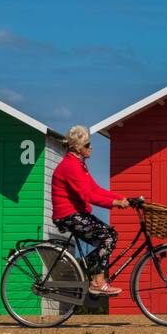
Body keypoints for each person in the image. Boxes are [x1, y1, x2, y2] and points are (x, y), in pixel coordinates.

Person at [52, 125, 129, 296]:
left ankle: (81, 267)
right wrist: (116, 203)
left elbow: (95, 189)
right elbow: (89, 196)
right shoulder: (71, 166)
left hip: (76, 213)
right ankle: (97, 282)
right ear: (78, 148)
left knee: (107, 237)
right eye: (87, 145)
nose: (91, 147)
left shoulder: (79, 165)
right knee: (109, 237)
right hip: (69, 215)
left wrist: (123, 198)